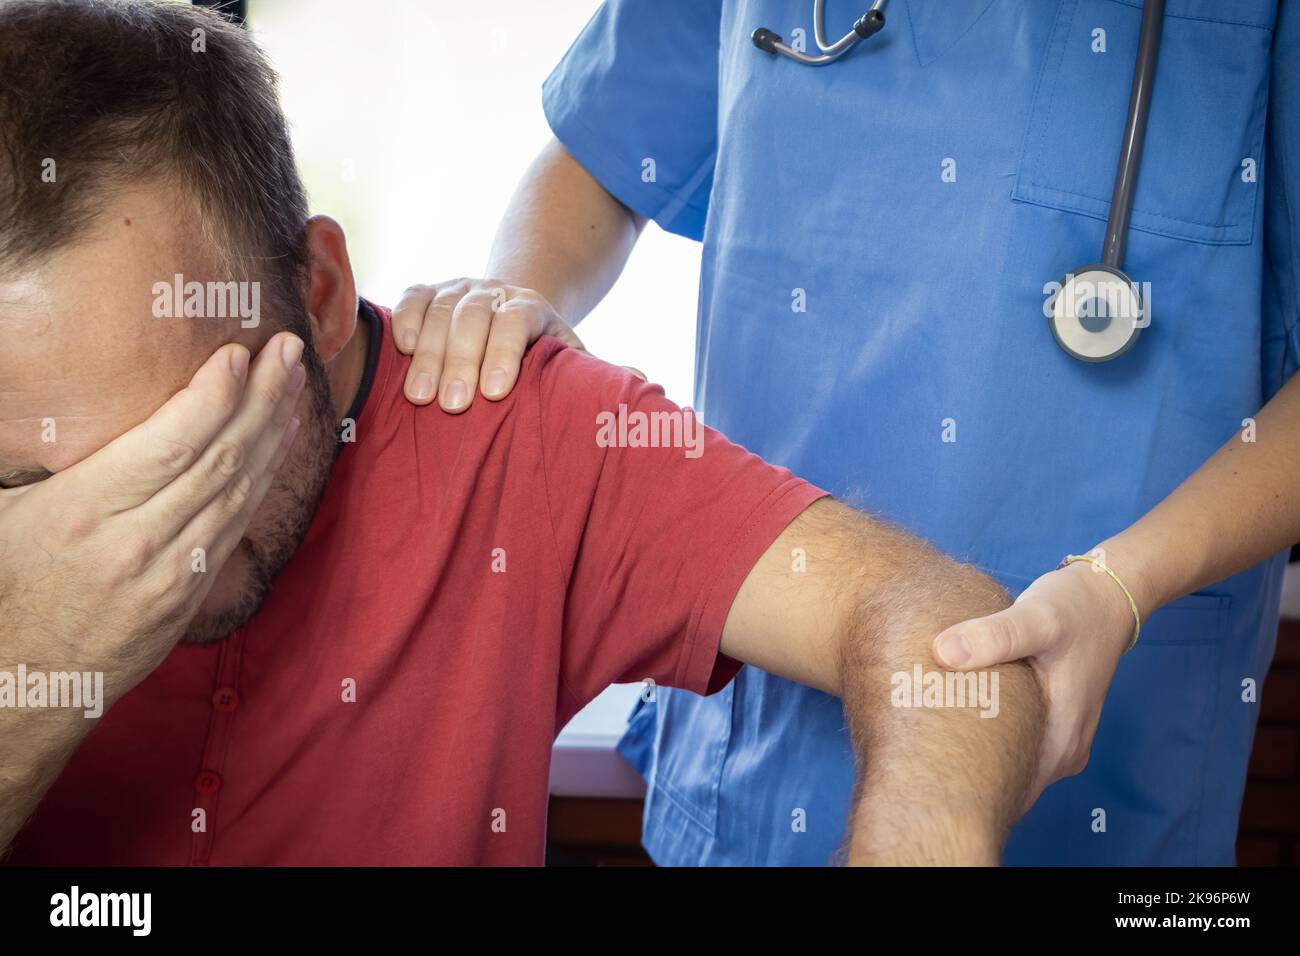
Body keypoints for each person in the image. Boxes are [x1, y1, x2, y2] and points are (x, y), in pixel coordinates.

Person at [0, 0, 1048, 866]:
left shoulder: (509, 428)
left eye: (188, 448)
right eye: (29, 482)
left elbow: (932, 619)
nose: (140, 540)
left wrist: (924, 831)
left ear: (315, 295)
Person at [388, 0, 1300, 865]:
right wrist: (521, 293)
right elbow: (607, 143)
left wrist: (1123, 589)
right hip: (750, 752)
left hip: (1108, 742)